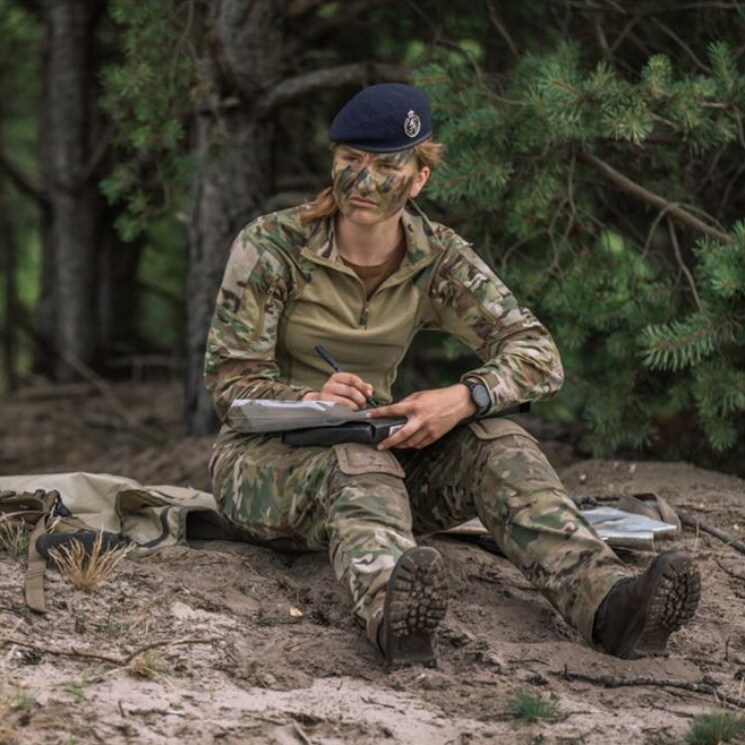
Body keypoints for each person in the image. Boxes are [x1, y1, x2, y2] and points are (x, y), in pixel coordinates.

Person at [204, 83, 700, 668]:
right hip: (261, 464)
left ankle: (609, 606)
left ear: (419, 179)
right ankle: (396, 617)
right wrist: (309, 397)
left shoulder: (437, 258)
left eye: (386, 165)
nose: (362, 182)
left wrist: (465, 397)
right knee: (358, 467)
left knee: (502, 442)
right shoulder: (273, 246)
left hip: (377, 451)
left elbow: (537, 351)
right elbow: (231, 387)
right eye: (349, 161)